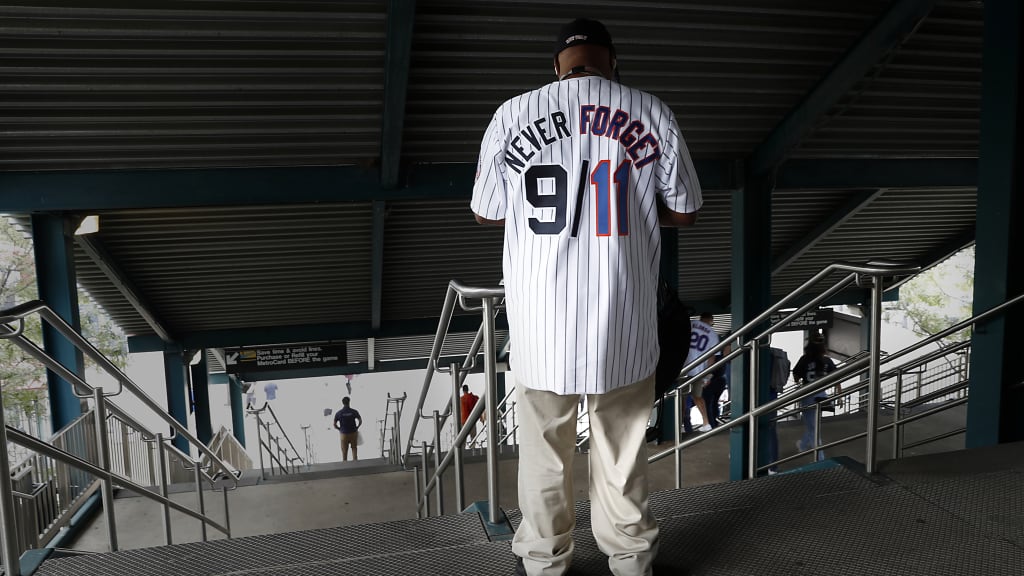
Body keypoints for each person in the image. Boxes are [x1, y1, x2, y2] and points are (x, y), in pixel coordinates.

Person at [471, 17, 702, 576]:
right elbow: (685, 211)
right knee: (621, 456)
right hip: (622, 322)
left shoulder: (512, 114)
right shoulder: (651, 111)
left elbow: (487, 211)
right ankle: (630, 561)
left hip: (540, 326)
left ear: (557, 66)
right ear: (612, 61)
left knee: (543, 455)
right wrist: (630, 209)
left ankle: (544, 562)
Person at [792, 338, 837, 462]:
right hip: (822, 395)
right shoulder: (827, 361)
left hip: (808, 395)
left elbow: (796, 375)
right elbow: (836, 376)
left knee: (813, 428)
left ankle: (820, 458)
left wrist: (798, 380)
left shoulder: (805, 359)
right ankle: (802, 445)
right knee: (813, 424)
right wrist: (839, 392)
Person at [685, 313, 720, 432]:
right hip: (698, 371)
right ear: (711, 320)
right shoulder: (713, 334)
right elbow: (712, 357)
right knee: (698, 397)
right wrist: (708, 376)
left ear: (700, 318)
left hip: (683, 367)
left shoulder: (690, 324)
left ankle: (680, 425)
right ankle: (706, 423)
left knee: (680, 398)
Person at [333, 396, 362, 461]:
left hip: (344, 434)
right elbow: (360, 421)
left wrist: (339, 429)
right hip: (353, 433)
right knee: (354, 448)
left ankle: (345, 465)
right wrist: (357, 427)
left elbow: (334, 425)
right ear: (349, 402)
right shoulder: (354, 411)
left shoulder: (338, 413)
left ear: (342, 403)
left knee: (344, 452)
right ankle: (355, 463)